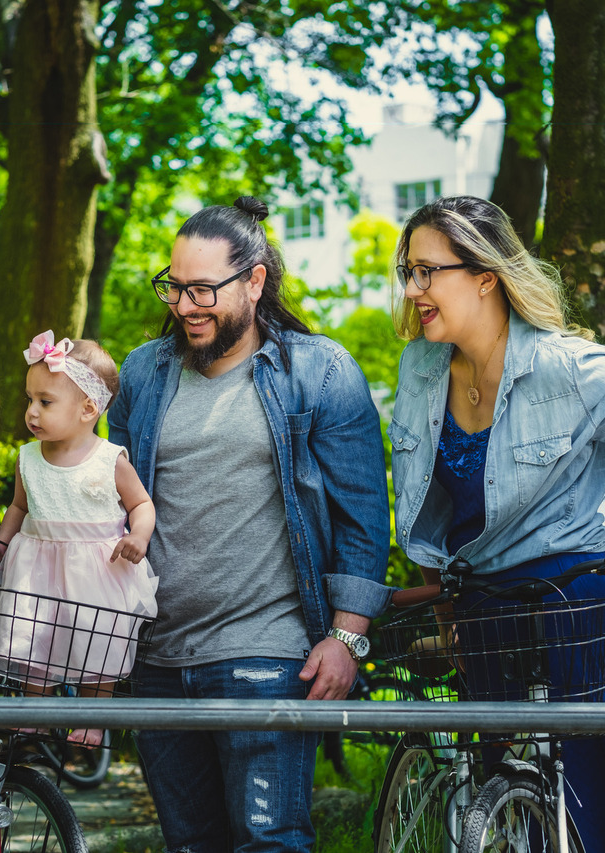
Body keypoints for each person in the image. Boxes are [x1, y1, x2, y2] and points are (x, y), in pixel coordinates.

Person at [387, 195, 605, 853]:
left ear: (485, 274)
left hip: (586, 607)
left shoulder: (573, 369)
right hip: (486, 612)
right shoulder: (420, 368)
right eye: (408, 271)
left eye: (428, 271)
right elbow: (432, 506)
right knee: (513, 822)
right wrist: (446, 608)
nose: (412, 288)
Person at [107, 196, 391, 852]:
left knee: (270, 841)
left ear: (254, 281)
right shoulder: (144, 373)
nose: (184, 304)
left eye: (203, 289)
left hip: (266, 653)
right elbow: (114, 500)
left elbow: (363, 518)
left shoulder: (320, 372)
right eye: (174, 287)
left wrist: (348, 641)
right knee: (190, 844)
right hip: (158, 658)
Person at [0, 331, 159, 747]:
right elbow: (19, 509)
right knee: (33, 640)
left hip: (97, 572)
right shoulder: (28, 458)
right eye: (29, 400)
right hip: (37, 569)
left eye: (45, 402)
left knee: (100, 648)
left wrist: (140, 537)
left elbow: (141, 505)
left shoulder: (109, 459)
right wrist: (1, 544)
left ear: (88, 409)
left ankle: (93, 720)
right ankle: (36, 714)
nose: (32, 412)